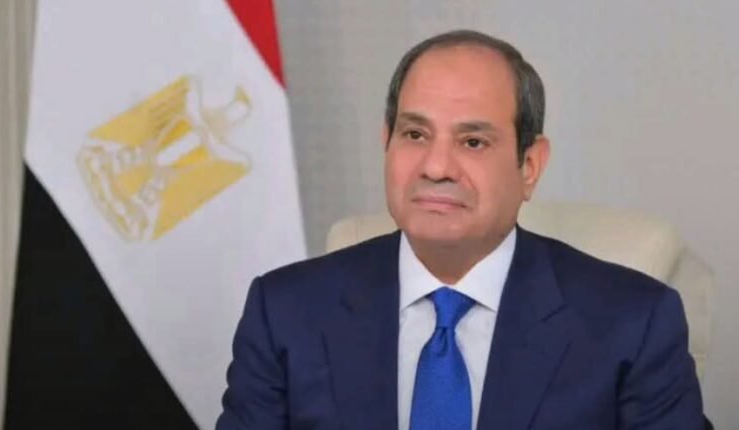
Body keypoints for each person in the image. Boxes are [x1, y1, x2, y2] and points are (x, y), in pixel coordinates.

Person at [216, 29, 707, 429]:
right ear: (387, 143)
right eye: (415, 134)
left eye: (473, 142)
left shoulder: (632, 324)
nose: (435, 167)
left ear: (530, 165)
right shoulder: (285, 312)